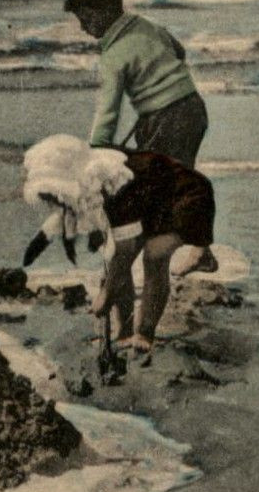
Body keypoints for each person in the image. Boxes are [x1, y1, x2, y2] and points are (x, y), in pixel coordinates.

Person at [66, 0, 208, 168]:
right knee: (179, 175)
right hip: (194, 108)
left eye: (86, 19)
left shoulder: (113, 55)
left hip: (166, 119)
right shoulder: (148, 25)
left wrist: (96, 149)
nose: (82, 27)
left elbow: (108, 112)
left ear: (106, 12)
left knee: (158, 179)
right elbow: (179, 51)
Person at [91, 148, 219, 353]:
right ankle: (125, 333)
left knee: (154, 255)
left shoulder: (110, 185)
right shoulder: (95, 187)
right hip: (154, 203)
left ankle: (144, 333)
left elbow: (126, 250)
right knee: (126, 257)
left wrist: (107, 292)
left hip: (188, 195)